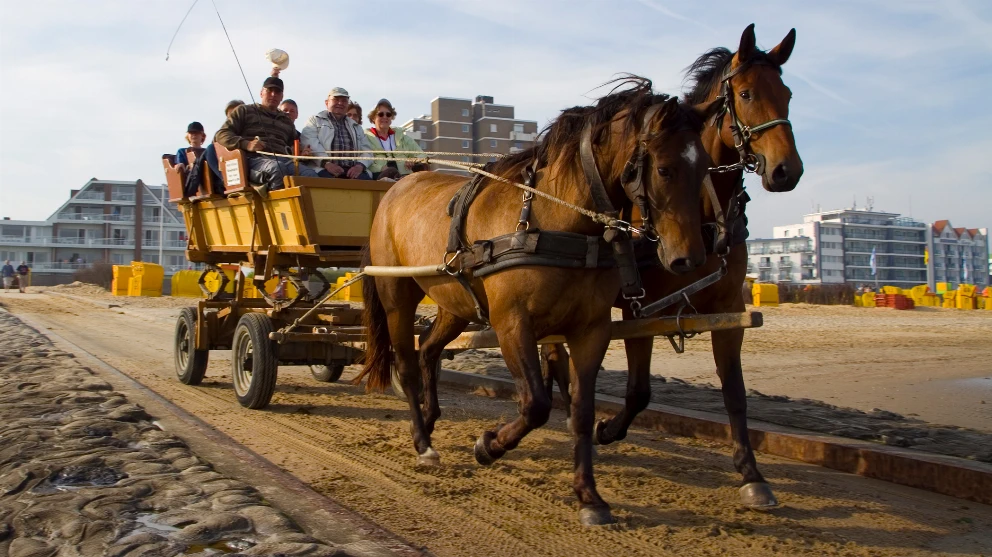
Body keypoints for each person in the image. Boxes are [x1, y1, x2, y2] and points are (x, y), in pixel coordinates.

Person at [214, 75, 318, 196]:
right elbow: (222, 134)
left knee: (310, 175)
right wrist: (247, 144)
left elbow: (293, 142)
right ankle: (280, 210)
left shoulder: (286, 120)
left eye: (277, 92)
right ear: (261, 93)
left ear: (281, 97)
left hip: (284, 160)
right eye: (269, 91)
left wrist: (302, 151)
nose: (273, 94)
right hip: (253, 160)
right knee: (277, 169)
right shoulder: (244, 111)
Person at [301, 87, 372, 179]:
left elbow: (367, 151)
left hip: (352, 171)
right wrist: (327, 164)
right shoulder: (314, 120)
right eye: (336, 100)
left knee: (368, 184)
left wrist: (359, 166)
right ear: (327, 103)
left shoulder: (356, 127)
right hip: (323, 169)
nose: (340, 103)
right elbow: (310, 143)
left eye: (344, 101)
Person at [364, 99, 425, 179]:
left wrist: (413, 160)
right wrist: (381, 168)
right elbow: (364, 160)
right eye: (381, 114)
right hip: (380, 178)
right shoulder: (365, 138)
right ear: (373, 118)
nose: (385, 117)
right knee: (391, 171)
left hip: (404, 178)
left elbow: (422, 155)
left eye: (388, 114)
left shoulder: (402, 137)